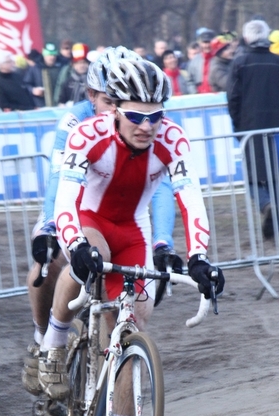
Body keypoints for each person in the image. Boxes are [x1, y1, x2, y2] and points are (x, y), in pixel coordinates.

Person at [35, 58, 224, 416]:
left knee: (130, 329)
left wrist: (198, 256)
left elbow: (189, 198)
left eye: (155, 116)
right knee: (87, 262)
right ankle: (54, 345)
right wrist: (75, 245)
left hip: (132, 231)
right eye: (137, 116)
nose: (147, 126)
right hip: (89, 220)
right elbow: (65, 199)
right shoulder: (88, 135)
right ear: (114, 110)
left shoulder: (172, 139)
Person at [22, 48, 180, 396]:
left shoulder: (145, 123)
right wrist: (50, 226)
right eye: (110, 101)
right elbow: (56, 179)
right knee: (46, 262)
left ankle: (110, 393)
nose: (118, 111)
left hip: (122, 219)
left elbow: (163, 187)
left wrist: (163, 242)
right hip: (73, 207)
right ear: (91, 96)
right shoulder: (76, 121)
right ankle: (42, 341)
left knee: (132, 298)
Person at [226, 19, 279, 239]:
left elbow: (233, 99)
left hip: (250, 128)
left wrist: (238, 129)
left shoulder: (240, 63)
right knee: (275, 177)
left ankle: (266, 205)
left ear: (247, 37)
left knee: (252, 178)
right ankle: (274, 222)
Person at [23, 42, 62, 107]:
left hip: (59, 105)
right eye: (49, 55)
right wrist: (33, 90)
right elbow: (25, 84)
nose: (52, 57)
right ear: (44, 55)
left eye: (54, 55)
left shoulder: (61, 67)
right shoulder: (35, 68)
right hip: (41, 105)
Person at [186, 29, 215, 93]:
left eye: (209, 42)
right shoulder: (195, 60)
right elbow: (190, 80)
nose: (207, 45)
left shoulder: (218, 59)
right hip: (199, 97)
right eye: (205, 42)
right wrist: (194, 93)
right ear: (201, 43)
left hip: (216, 96)